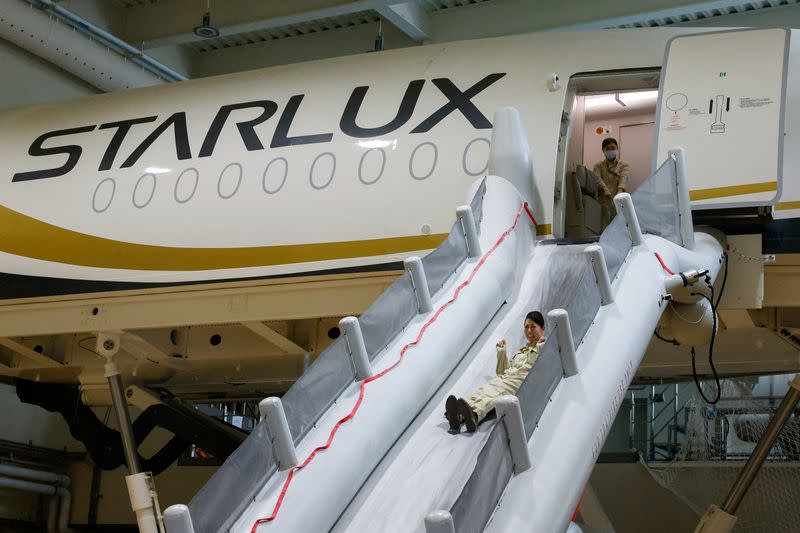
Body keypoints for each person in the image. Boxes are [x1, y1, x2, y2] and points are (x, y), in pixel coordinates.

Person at [445, 311, 546, 433]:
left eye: (533, 327)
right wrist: (502, 353)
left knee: (494, 395)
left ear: (542, 328)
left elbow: (543, 365)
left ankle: (475, 415)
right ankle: (458, 415)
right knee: (484, 389)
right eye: (526, 327)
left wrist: (541, 347)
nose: (529, 331)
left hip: (518, 383)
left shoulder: (545, 346)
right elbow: (502, 371)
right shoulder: (521, 351)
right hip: (505, 378)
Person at [592, 137, 631, 228]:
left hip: (619, 198)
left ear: (617, 148)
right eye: (607, 149)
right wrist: (605, 189)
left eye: (613, 148)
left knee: (621, 224)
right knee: (604, 225)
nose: (610, 150)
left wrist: (619, 192)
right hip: (604, 200)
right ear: (603, 150)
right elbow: (597, 178)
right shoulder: (598, 166)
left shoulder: (624, 165)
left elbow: (624, 178)